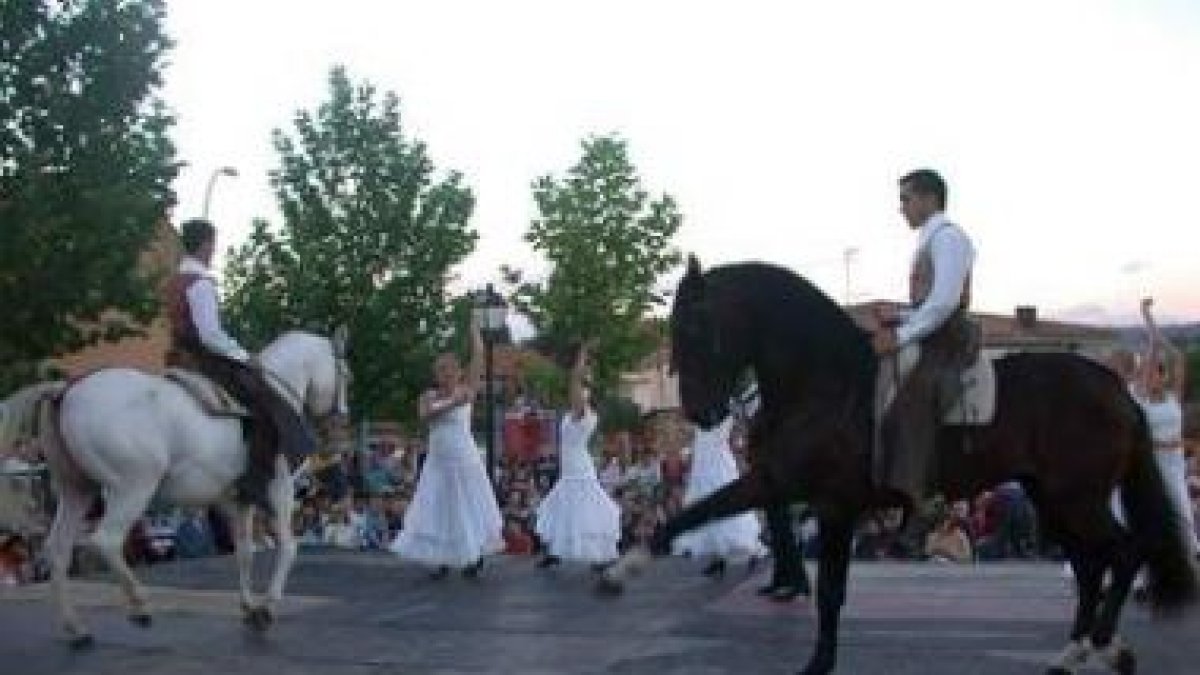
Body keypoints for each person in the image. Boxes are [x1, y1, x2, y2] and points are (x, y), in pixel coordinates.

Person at [165, 218, 315, 512]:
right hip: (205, 360)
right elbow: (210, 334)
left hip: (178, 356)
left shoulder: (174, 280)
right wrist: (244, 356)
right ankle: (255, 483)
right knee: (268, 406)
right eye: (213, 244)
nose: (214, 251)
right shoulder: (201, 283)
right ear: (206, 244)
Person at [870, 169, 977, 508]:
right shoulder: (929, 239)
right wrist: (898, 316)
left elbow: (944, 303)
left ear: (930, 199)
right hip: (932, 329)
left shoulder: (948, 237)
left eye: (906, 198)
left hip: (949, 338)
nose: (901, 208)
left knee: (916, 397)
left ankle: (915, 499)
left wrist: (900, 334)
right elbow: (928, 305)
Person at [389, 316, 504, 579]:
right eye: (440, 370)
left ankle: (472, 554)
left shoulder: (467, 388)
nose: (444, 374)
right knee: (439, 508)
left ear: (458, 372)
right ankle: (440, 556)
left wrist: (474, 331)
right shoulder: (428, 396)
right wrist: (453, 403)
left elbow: (478, 358)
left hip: (463, 459)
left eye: (449, 369)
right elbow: (426, 416)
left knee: (465, 507)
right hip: (438, 462)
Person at [535, 341, 621, 569]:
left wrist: (581, 356)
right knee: (562, 508)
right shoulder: (582, 413)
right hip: (574, 465)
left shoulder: (582, 412)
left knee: (580, 510)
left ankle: (597, 554)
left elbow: (574, 379)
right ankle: (555, 551)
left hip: (577, 468)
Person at [1132, 298, 1198, 557]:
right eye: (1147, 374)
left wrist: (1152, 322)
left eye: (1157, 374)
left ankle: (1188, 557)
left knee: (1181, 508)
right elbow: (1152, 351)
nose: (1151, 378)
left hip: (1174, 461)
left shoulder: (1174, 398)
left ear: (1164, 377)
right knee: (1154, 511)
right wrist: (1145, 318)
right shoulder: (1141, 399)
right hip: (1154, 459)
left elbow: (1177, 357)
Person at [673, 416, 767, 578]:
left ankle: (754, 550)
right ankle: (718, 560)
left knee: (729, 513)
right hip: (702, 470)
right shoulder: (701, 415)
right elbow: (693, 436)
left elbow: (732, 430)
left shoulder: (723, 415)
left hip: (719, 471)